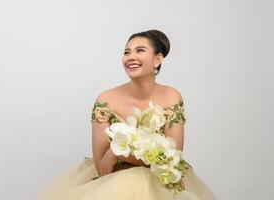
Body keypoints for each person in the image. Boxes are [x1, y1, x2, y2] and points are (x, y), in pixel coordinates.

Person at [36, 30, 217, 200]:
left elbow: (172, 156)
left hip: (159, 182)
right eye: (127, 52)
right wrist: (126, 155)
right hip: (113, 182)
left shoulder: (171, 96)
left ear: (158, 59)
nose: (131, 57)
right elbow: (102, 165)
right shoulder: (106, 99)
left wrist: (118, 152)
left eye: (140, 50)